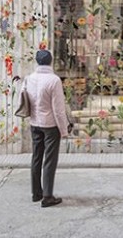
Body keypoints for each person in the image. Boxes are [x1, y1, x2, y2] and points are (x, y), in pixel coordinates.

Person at [23, 49, 70, 208]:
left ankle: (36, 193)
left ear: (37, 61)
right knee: (49, 160)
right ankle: (47, 196)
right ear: (50, 61)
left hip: (34, 123)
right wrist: (64, 130)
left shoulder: (29, 78)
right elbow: (58, 109)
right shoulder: (54, 80)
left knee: (36, 157)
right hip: (50, 125)